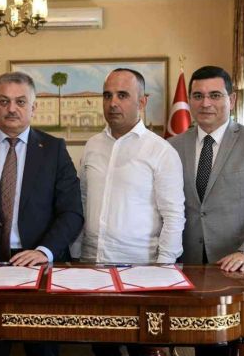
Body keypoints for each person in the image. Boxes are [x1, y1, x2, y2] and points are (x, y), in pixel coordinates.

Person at [0, 72, 83, 356]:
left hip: (39, 267)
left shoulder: (54, 150)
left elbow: (71, 212)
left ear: (33, 107)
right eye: (4, 101)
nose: (12, 109)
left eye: (20, 102)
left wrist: (45, 251)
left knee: (42, 348)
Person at [76, 69, 184, 356]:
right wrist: (75, 256)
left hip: (142, 272)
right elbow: (82, 201)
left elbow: (174, 216)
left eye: (122, 95)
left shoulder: (161, 151)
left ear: (142, 101)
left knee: (143, 349)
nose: (113, 103)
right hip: (94, 267)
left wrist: (163, 270)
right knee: (103, 349)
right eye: (107, 95)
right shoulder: (92, 145)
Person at [168, 66, 244, 281]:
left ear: (232, 100)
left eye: (215, 95)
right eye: (198, 96)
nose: (205, 103)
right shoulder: (172, 146)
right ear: (189, 101)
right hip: (188, 266)